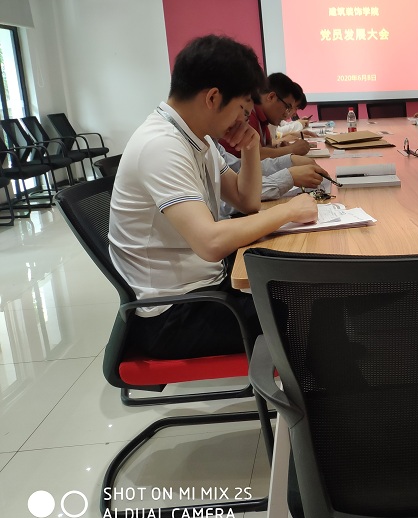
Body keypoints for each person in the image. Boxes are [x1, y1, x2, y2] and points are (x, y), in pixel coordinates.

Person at [109, 35, 318, 360]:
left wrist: (251, 148)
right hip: (172, 315)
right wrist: (288, 211)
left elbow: (246, 201)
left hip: (204, 291)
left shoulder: (198, 140)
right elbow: (209, 242)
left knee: (304, 291)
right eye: (241, 110)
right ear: (212, 97)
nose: (243, 120)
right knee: (310, 309)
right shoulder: (161, 146)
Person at [216, 144, 330, 219]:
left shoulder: (213, 144)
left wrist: (289, 161)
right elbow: (225, 201)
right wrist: (289, 177)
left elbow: (240, 170)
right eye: (245, 116)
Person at [220, 72, 311, 158]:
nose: (286, 114)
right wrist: (291, 149)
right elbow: (256, 155)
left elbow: (267, 147)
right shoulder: (248, 116)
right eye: (287, 107)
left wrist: (279, 149)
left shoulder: (263, 119)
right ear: (271, 97)